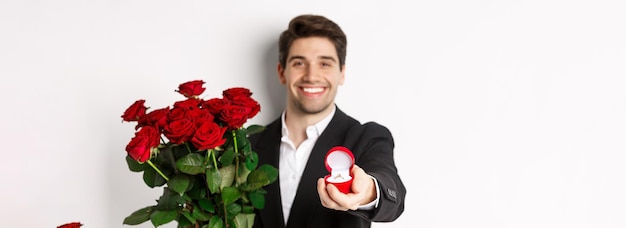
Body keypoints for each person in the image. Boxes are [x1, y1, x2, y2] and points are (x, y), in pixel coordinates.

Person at [249, 14, 406, 228]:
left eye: (325, 63)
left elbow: (392, 193)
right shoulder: (248, 143)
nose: (311, 76)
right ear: (282, 72)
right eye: (299, 63)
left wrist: (367, 191)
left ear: (341, 73)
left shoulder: (367, 137)